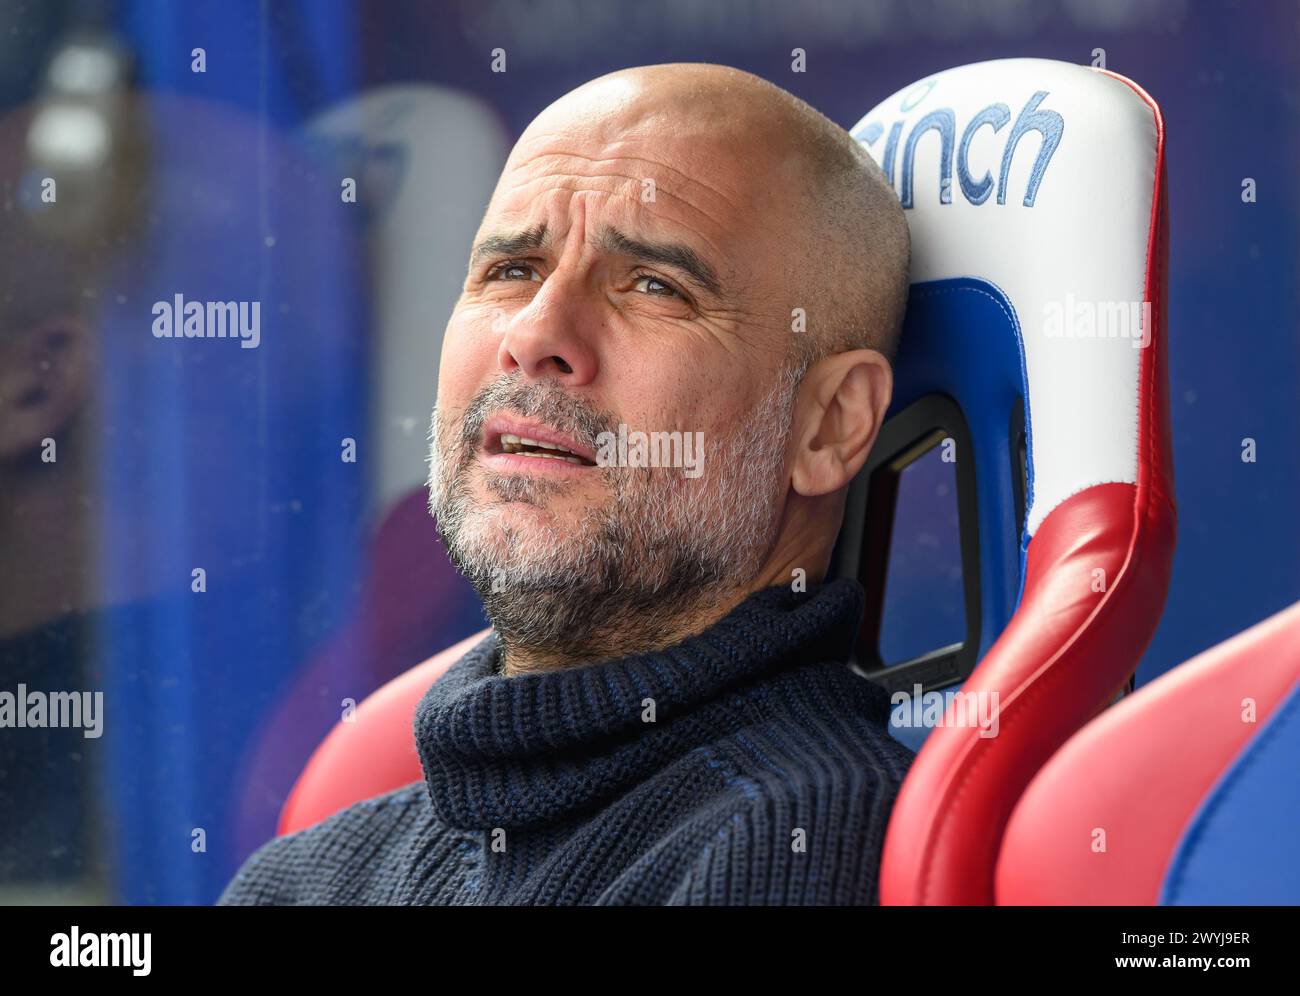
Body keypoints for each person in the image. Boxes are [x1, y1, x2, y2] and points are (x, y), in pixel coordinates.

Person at [218, 61, 913, 906]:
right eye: (511, 269)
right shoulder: (304, 879)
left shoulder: (800, 844)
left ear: (831, 422)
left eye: (655, 285)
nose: (536, 333)